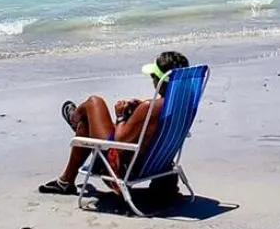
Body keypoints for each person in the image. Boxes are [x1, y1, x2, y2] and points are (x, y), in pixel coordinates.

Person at [38, 49, 190, 195]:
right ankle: (65, 181)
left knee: (94, 102)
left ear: (161, 80)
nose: (152, 78)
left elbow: (119, 140)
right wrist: (138, 112)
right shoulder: (184, 105)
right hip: (155, 165)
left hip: (121, 167)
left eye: (153, 76)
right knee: (86, 124)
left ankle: (74, 118)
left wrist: (120, 116)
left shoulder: (149, 108)